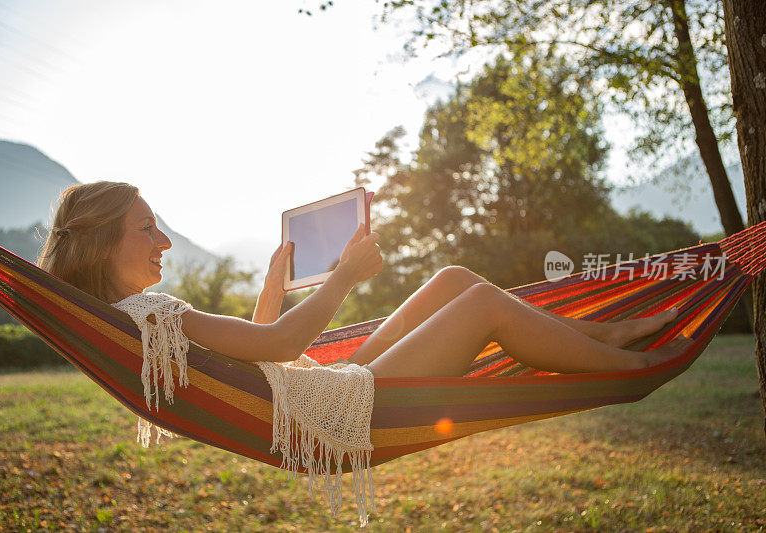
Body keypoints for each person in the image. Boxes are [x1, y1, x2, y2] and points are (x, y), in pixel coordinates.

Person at [38, 181, 691, 379]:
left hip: (315, 389)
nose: (165, 241)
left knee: (454, 277)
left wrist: (273, 283)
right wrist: (343, 276)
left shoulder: (137, 321)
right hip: (335, 410)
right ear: (102, 243)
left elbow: (259, 351)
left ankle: (605, 331)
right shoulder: (154, 317)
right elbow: (278, 343)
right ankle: (631, 364)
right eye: (147, 228)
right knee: (484, 303)